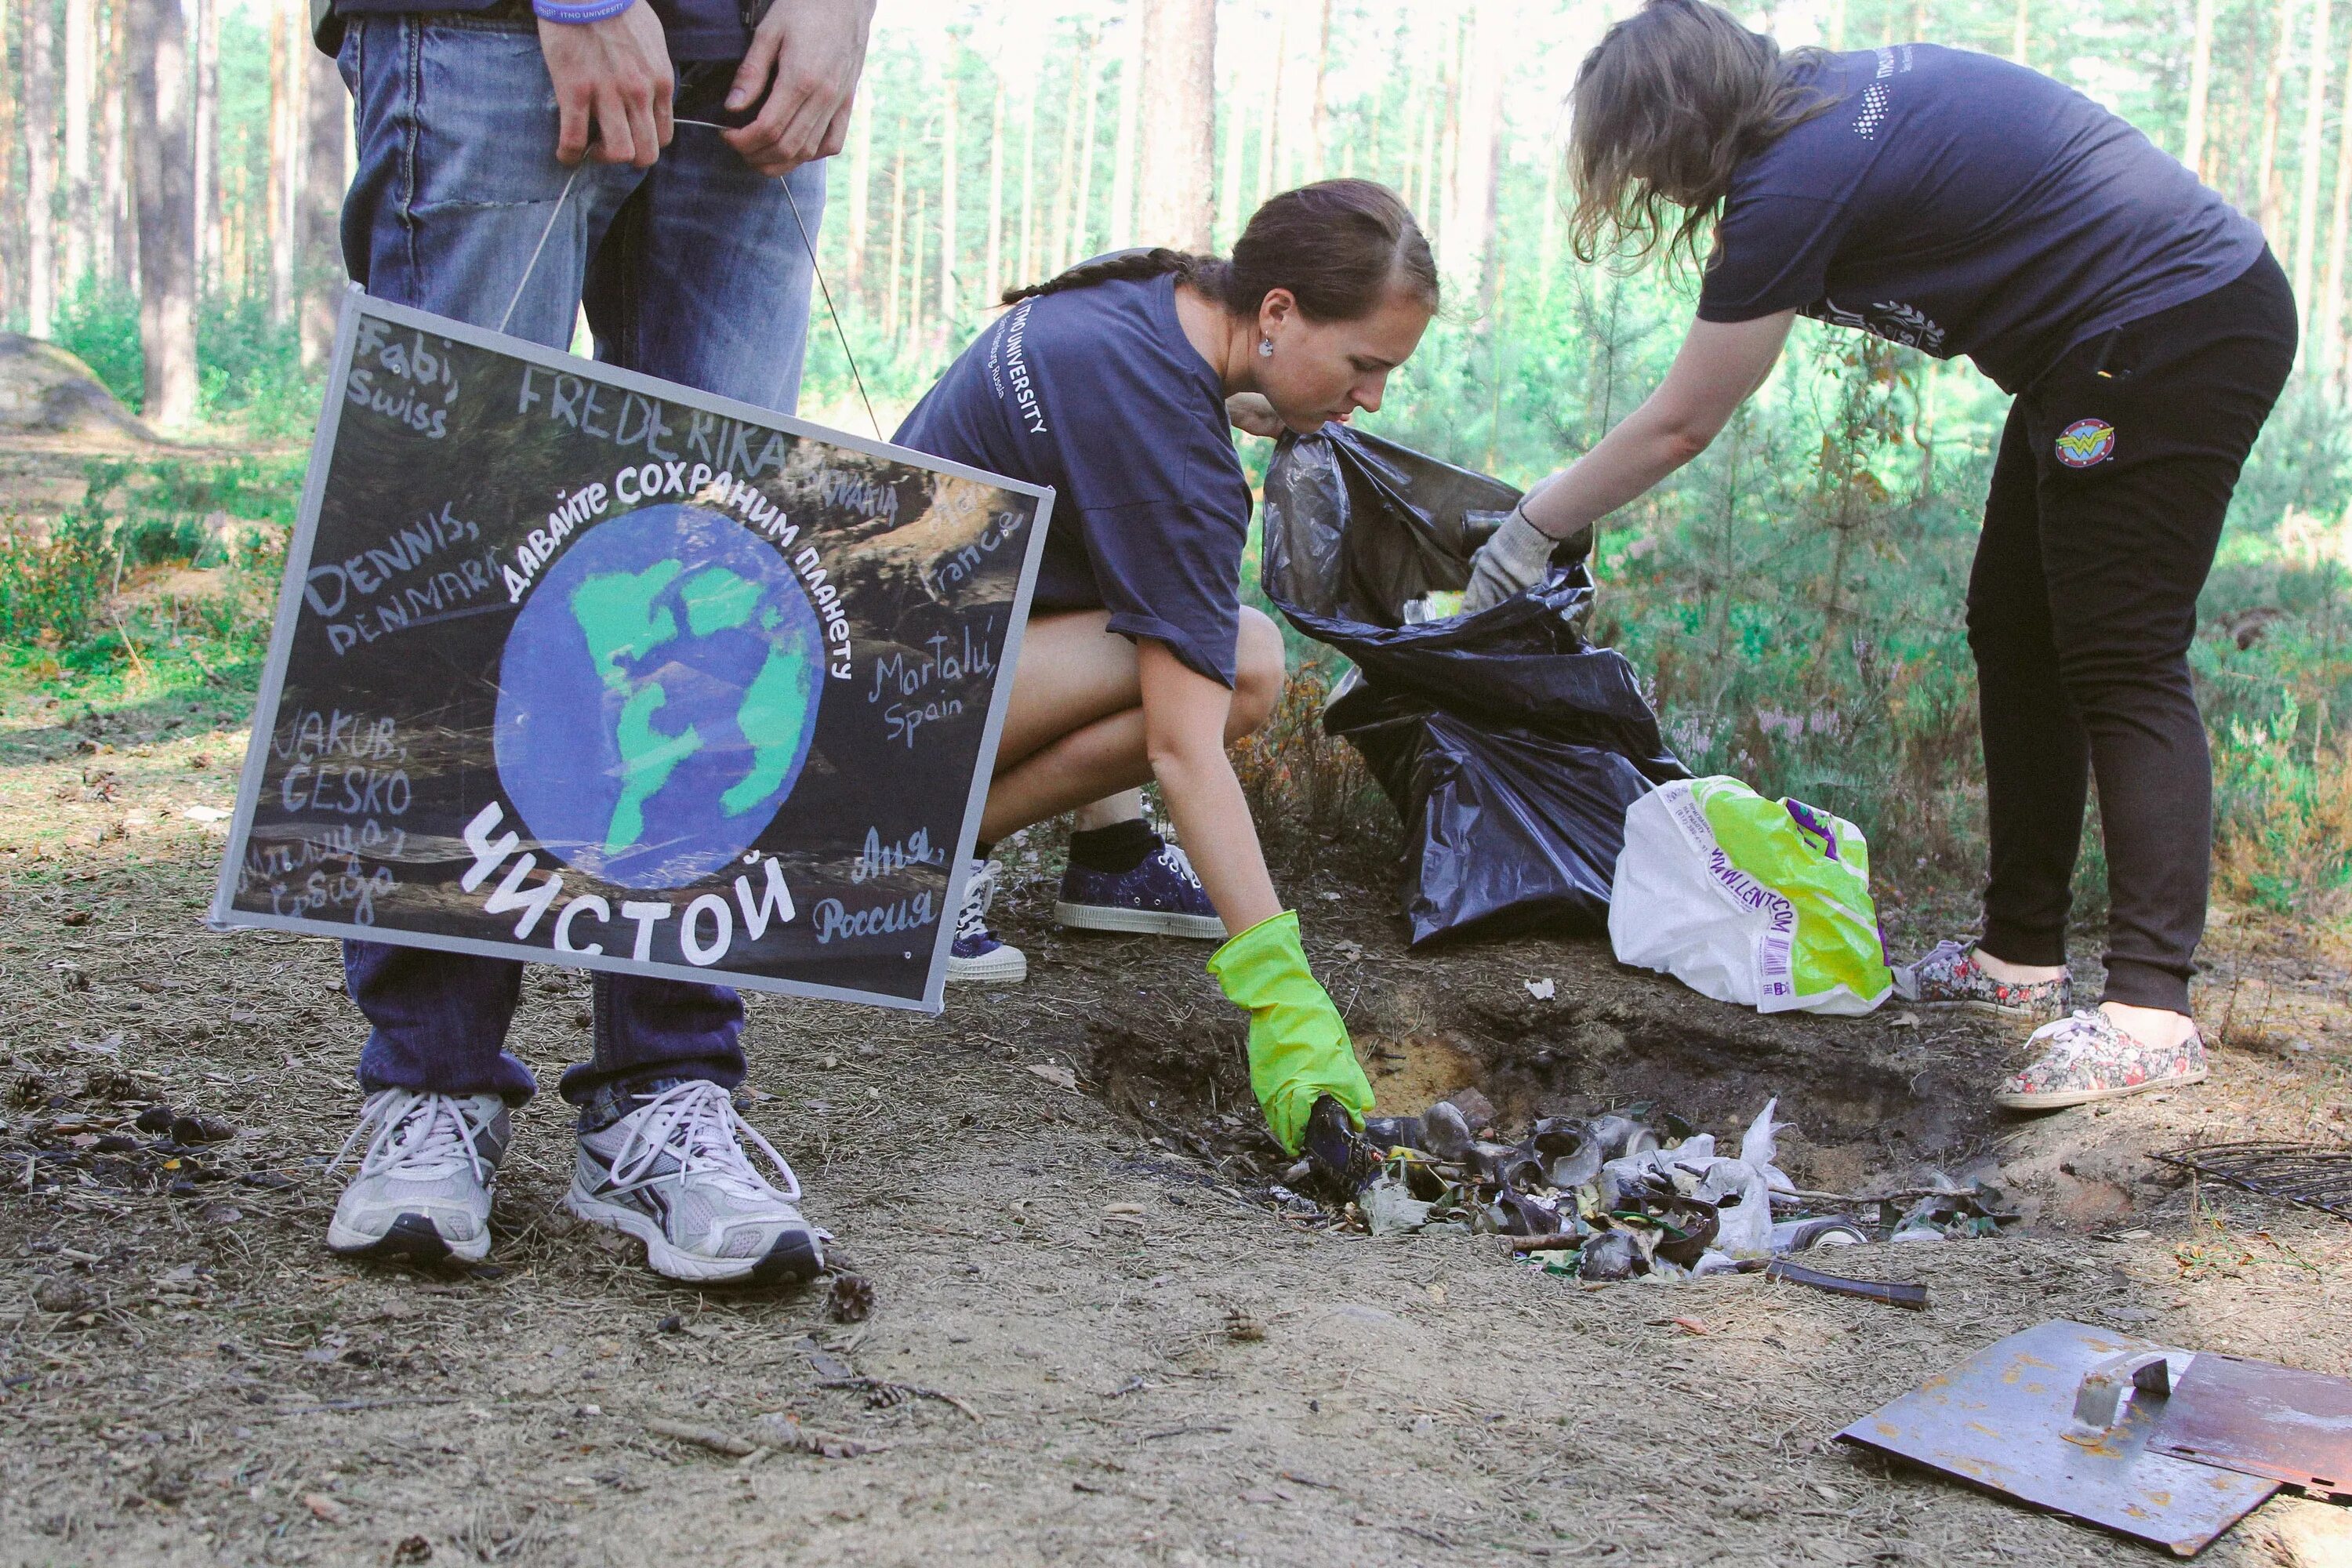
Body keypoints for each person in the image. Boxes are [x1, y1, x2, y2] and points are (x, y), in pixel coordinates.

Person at [1465, 0, 2293, 1111]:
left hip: (2176, 322)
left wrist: (1532, 526)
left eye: (1640, 160)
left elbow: (1684, 421)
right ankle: (2018, 958)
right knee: (2015, 625)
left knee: (2121, 649)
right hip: (2099, 343)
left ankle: (2150, 1011)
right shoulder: (1814, 124)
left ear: (1672, 126)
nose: (1652, 190)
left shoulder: (1795, 178)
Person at [316, 0, 870, 1280]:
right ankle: (434, 1086)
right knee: (452, 539)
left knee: (722, 565)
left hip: (758, 55)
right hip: (486, 29)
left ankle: (663, 1099)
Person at [894, 180, 1436, 1152]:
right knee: (1244, 660)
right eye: (1362, 364)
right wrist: (1284, 997)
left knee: (1184, 626)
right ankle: (914, 859)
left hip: (860, 638)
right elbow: (1187, 748)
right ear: (1277, 312)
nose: (1371, 399)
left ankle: (1108, 856)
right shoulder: (1178, 460)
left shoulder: (1152, 303)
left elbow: (1112, 464)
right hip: (881, 714)